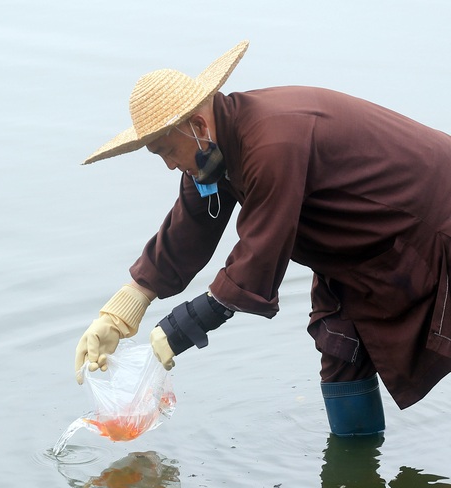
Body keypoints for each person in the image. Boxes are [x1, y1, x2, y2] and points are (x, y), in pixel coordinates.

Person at [74, 40, 451, 436]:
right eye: (158, 156)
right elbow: (191, 225)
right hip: (360, 250)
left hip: (429, 226)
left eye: (168, 150)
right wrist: (120, 312)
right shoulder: (214, 151)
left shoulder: (272, 141)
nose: (170, 165)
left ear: (198, 126)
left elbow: (261, 250)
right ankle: (358, 482)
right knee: (342, 349)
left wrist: (178, 330)